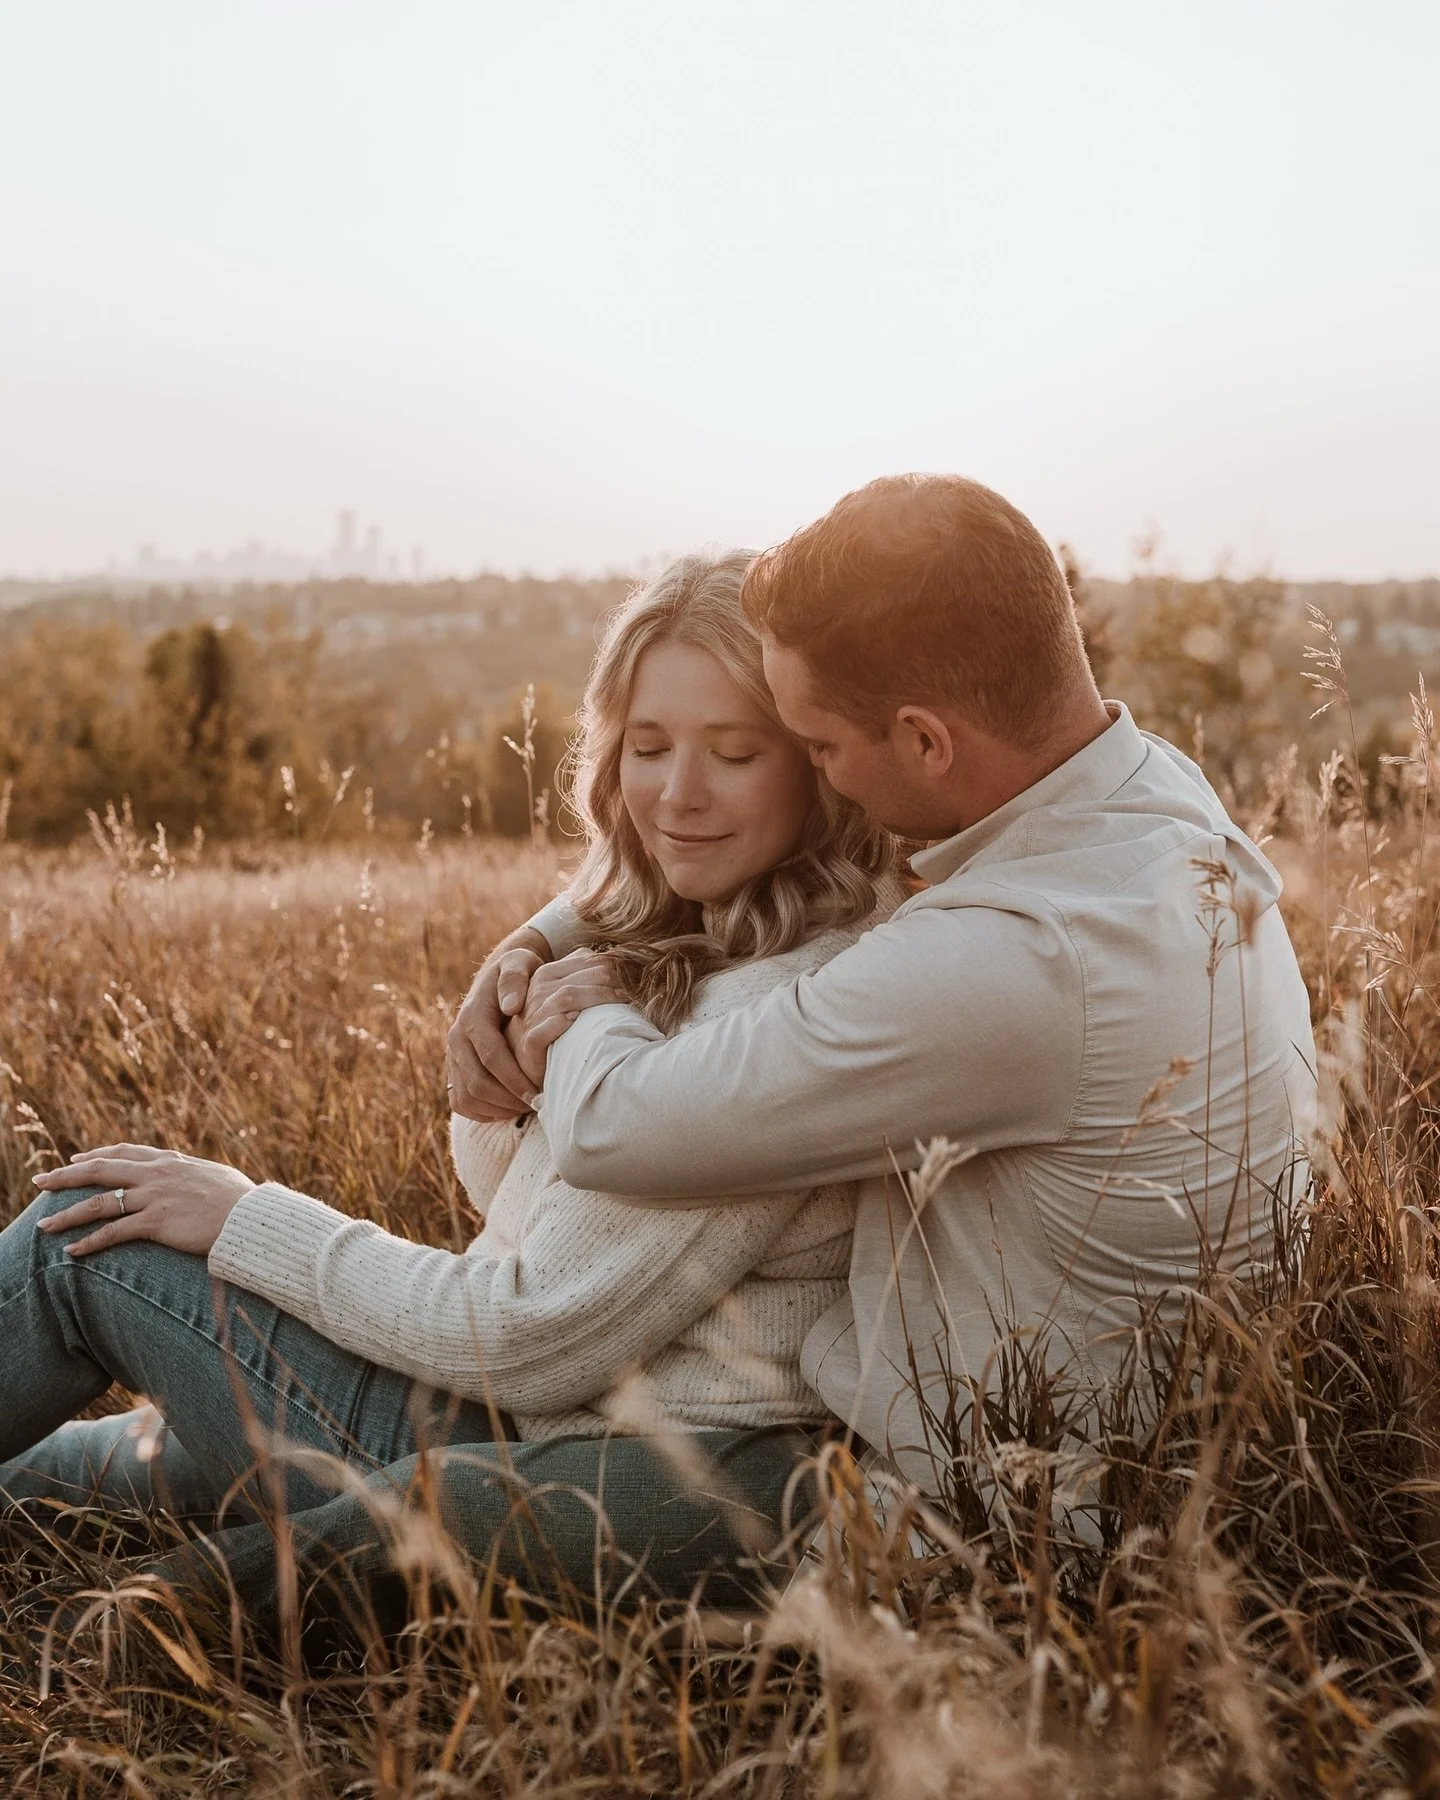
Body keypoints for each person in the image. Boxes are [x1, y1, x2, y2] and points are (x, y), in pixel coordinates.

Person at [0, 552, 901, 1661]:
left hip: (554, 1443)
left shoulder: (783, 1014)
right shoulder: (689, 938)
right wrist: (512, 1071)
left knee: (78, 1241)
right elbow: (516, 1200)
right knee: (51, 1484)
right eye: (648, 748)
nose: (678, 795)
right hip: (512, 1410)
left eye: (735, 752)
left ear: (813, 767)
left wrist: (242, 1217)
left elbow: (529, 1334)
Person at [449, 474, 1318, 1496]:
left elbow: (613, 1129)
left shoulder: (1009, 959)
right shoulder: (1147, 792)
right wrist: (535, 936)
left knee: (370, 1527)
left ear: (923, 740)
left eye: (815, 747)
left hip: (1000, 1527)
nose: (829, 784)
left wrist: (585, 994)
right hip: (1129, 1445)